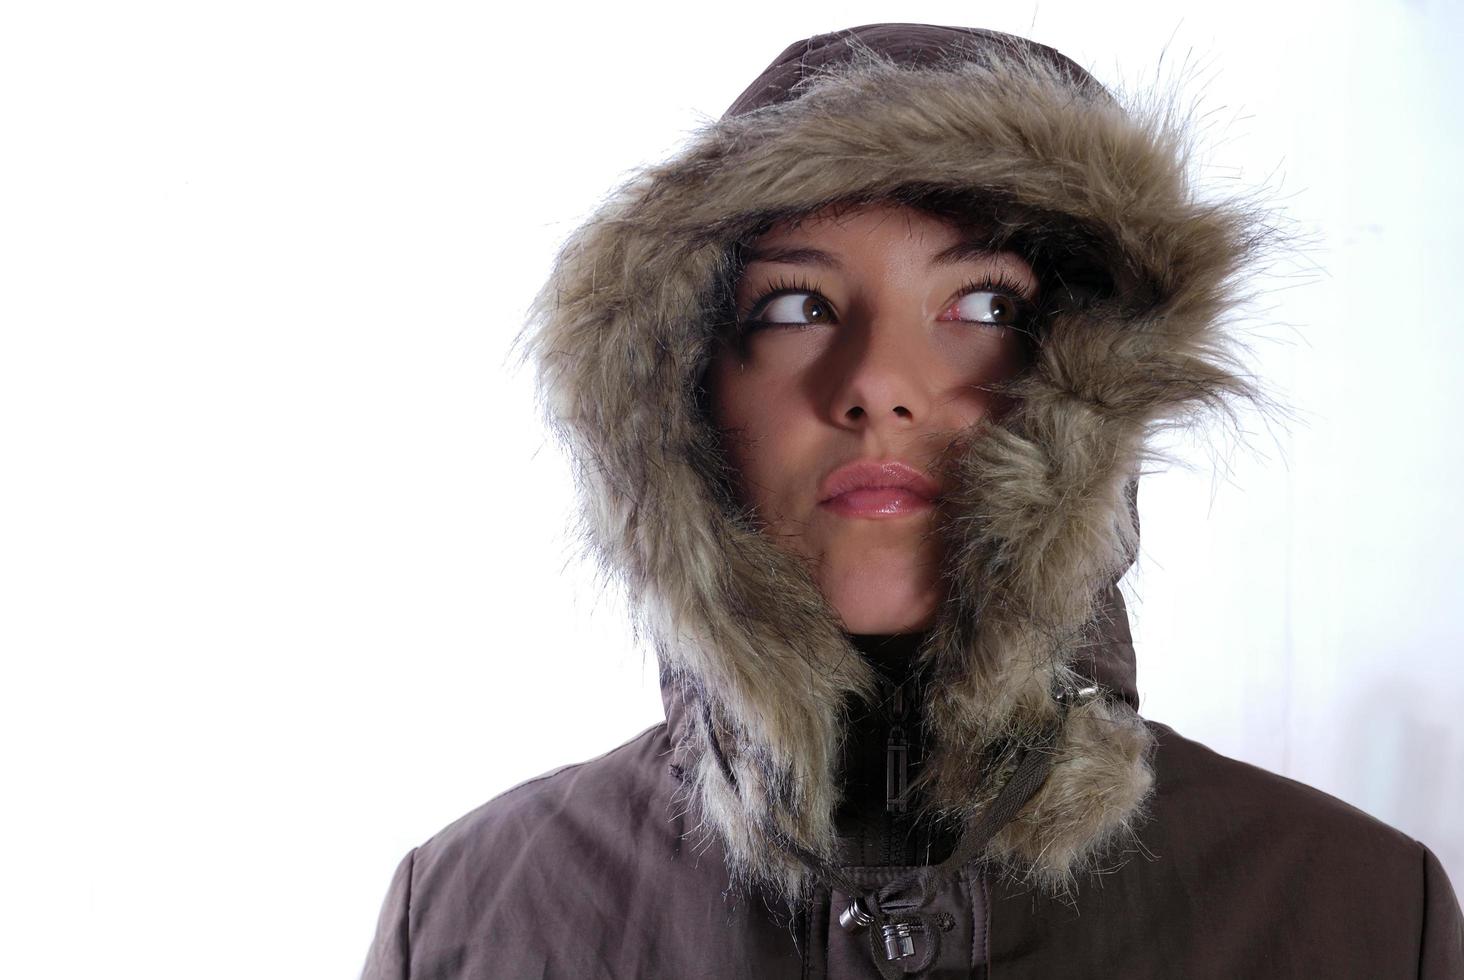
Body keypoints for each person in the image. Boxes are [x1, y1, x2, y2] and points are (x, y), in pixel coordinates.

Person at [359, 23, 1464, 978]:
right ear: (687, 386)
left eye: (984, 301)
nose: (879, 382)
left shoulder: (1354, 913)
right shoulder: (471, 919)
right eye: (795, 305)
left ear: (1100, 377)